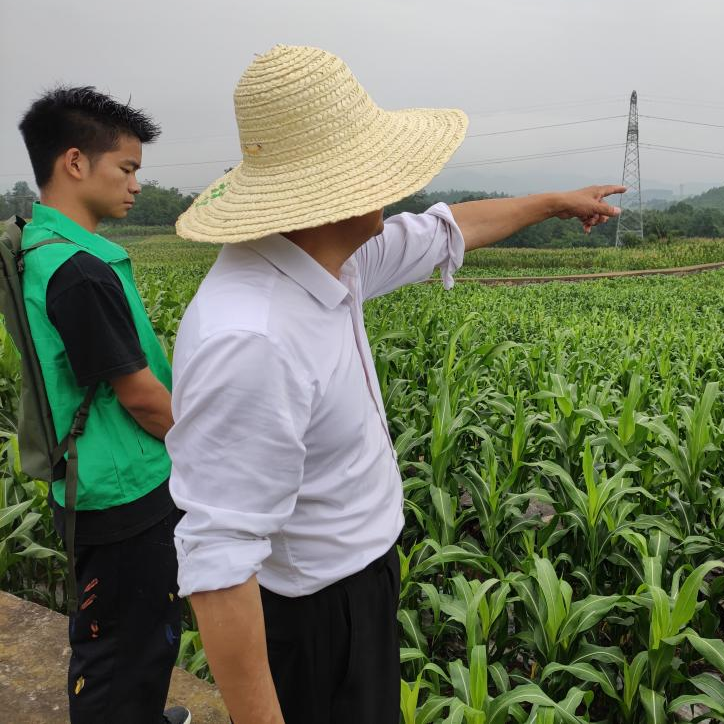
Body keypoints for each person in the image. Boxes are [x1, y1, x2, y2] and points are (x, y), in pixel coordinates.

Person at [166, 44, 621, 723]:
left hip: (360, 585)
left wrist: (553, 202)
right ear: (329, 194)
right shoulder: (252, 337)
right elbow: (219, 567)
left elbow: (445, 231)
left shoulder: (332, 258)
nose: (390, 185)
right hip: (312, 620)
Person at [17, 87, 190, 723]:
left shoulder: (43, 247)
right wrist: (206, 453)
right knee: (120, 646)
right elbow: (142, 397)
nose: (137, 185)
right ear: (74, 163)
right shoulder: (78, 271)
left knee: (136, 634)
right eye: (127, 168)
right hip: (121, 489)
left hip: (98, 474)